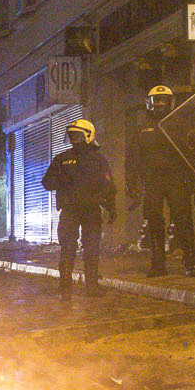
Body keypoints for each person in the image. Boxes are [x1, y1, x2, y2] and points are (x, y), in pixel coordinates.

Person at [42, 119, 116, 295]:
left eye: (78, 135)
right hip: (70, 210)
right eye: (72, 135)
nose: (74, 139)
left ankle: (92, 287)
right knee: (68, 247)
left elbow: (108, 186)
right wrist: (61, 180)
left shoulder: (98, 159)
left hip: (91, 210)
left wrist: (111, 207)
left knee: (92, 248)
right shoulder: (62, 159)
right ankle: (65, 287)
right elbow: (47, 182)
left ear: (88, 136)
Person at [139, 86, 195, 277]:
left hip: (176, 178)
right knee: (154, 221)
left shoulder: (180, 123)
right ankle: (157, 263)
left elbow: (191, 152)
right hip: (152, 179)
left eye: (164, 100)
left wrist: (192, 178)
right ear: (149, 103)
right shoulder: (143, 125)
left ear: (171, 102)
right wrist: (132, 180)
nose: (160, 104)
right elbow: (134, 155)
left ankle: (190, 262)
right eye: (157, 100)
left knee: (183, 220)